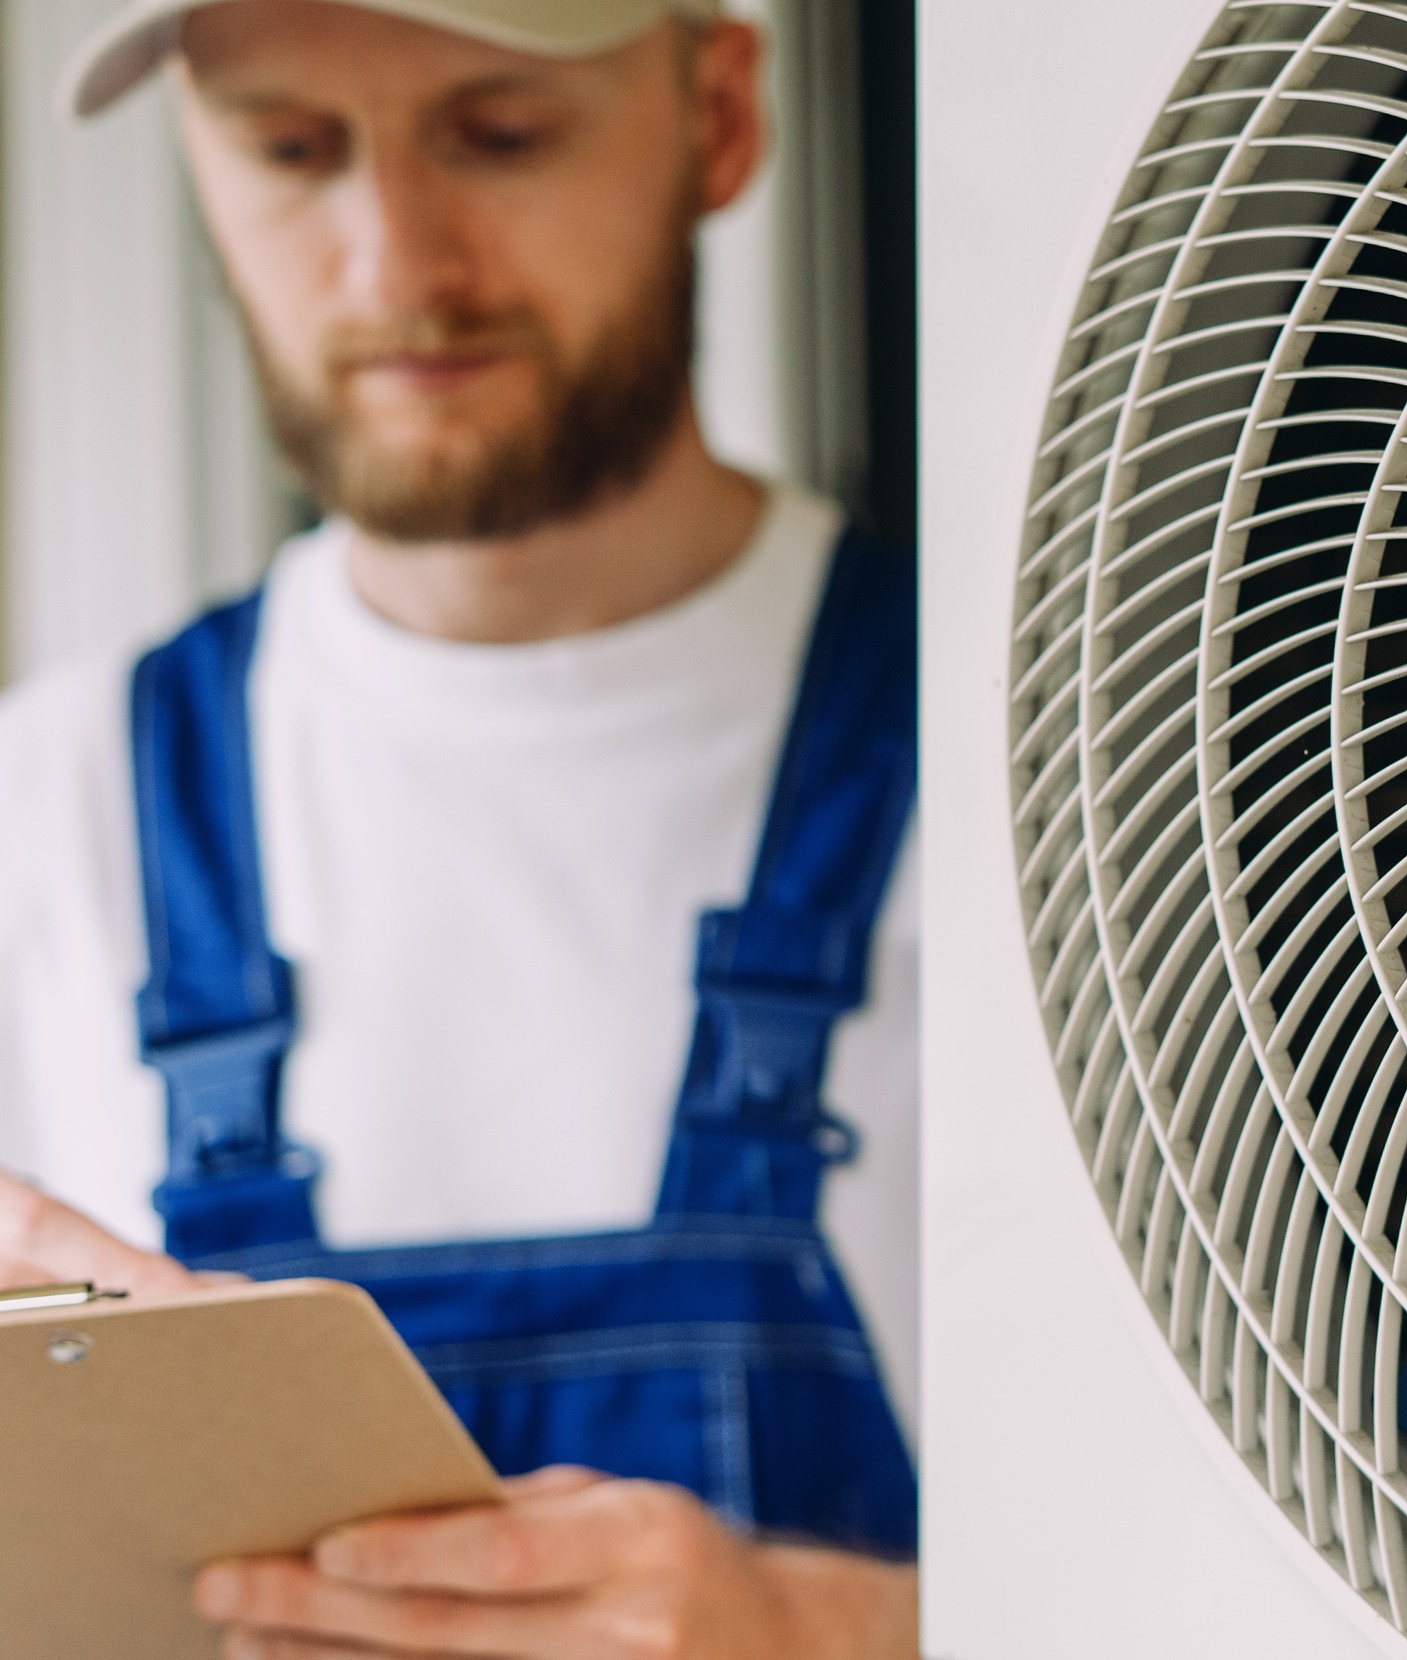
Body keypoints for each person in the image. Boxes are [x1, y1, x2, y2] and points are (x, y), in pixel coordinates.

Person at [0, 2, 920, 1654]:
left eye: (500, 135)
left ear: (716, 116)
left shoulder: (1059, 785)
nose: (394, 266)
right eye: (292, 149)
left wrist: (831, 1632)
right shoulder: (43, 811)